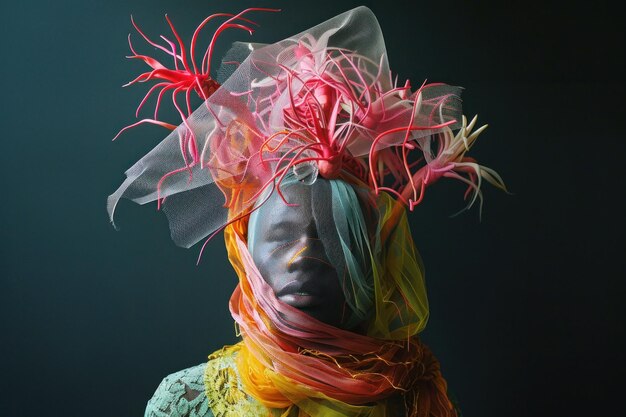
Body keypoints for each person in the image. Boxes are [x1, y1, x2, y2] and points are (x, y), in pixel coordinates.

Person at [109, 6, 505, 417]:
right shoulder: (189, 402)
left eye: (333, 236)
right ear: (246, 248)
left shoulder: (415, 399)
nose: (304, 256)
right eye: (281, 237)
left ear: (373, 254)